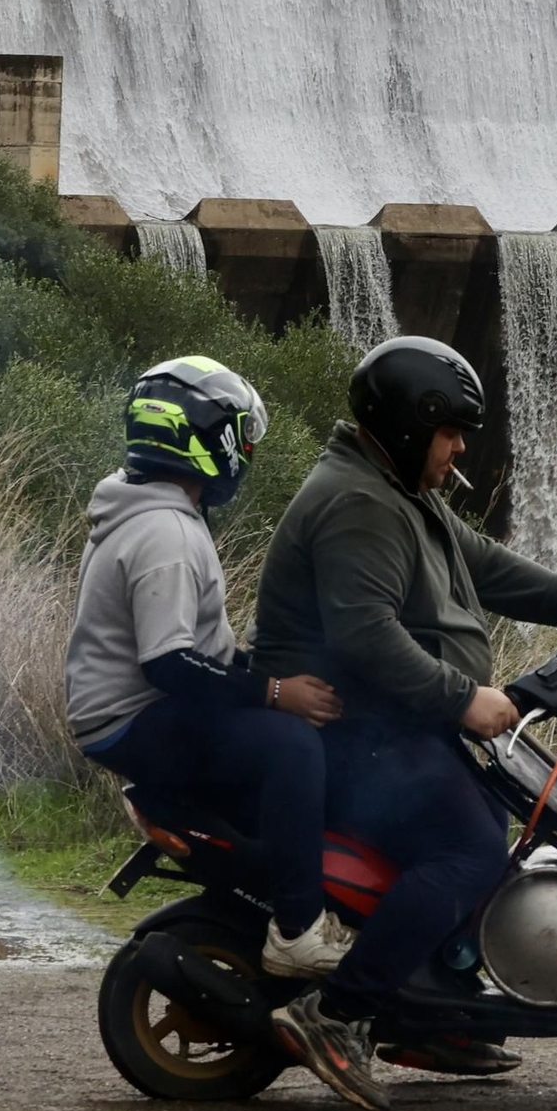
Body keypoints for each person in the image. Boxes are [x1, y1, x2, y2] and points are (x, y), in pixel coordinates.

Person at [254, 335, 557, 1111]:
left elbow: (484, 562)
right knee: (469, 848)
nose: (461, 445)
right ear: (413, 426)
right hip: (352, 732)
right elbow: (364, 637)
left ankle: (430, 1008)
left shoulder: (399, 489)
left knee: (502, 818)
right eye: (451, 431)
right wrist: (460, 696)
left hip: (393, 724)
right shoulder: (357, 503)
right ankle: (337, 1013)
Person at [65, 355, 353, 979]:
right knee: (291, 748)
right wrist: (274, 692)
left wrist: (266, 674)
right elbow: (170, 664)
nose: (245, 452)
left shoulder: (151, 506)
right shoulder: (165, 534)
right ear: (210, 440)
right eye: (241, 437)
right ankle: (299, 928)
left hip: (139, 711)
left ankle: (278, 894)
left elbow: (201, 651)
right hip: (134, 718)